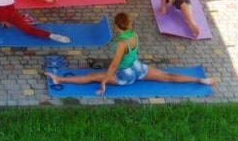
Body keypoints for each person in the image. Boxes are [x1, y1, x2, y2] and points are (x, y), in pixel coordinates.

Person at [45, 12, 217, 95]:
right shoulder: (133, 35)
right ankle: (200, 80)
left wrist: (104, 82)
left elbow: (113, 66)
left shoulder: (121, 43)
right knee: (168, 76)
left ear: (117, 26)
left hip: (125, 75)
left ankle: (59, 79)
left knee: (91, 76)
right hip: (138, 68)